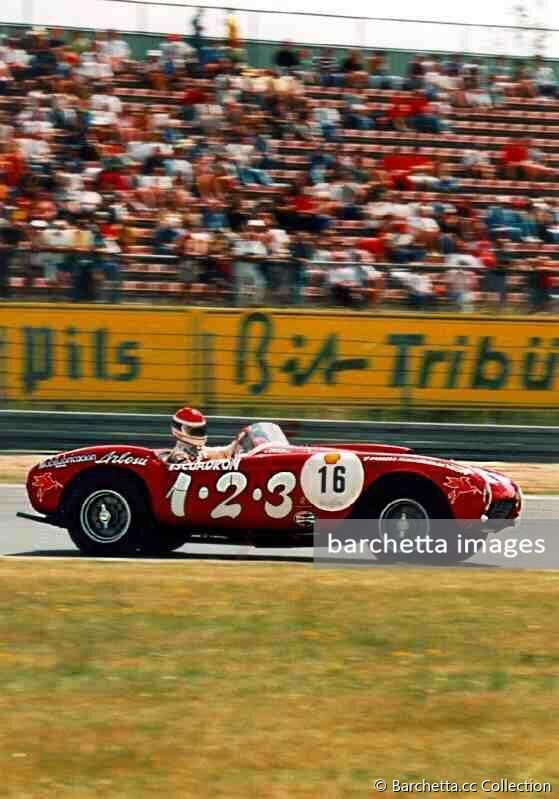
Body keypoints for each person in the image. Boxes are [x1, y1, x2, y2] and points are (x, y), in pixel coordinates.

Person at [166, 407, 240, 463]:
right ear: (178, 429)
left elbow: (223, 453)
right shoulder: (179, 456)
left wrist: (235, 446)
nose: (198, 433)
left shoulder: (196, 450)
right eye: (194, 431)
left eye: (200, 430)